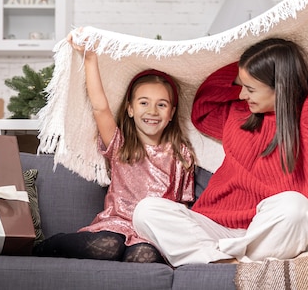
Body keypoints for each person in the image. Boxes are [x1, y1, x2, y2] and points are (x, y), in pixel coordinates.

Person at [133, 0, 308, 266]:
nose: (240, 93)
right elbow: (203, 105)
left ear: (280, 86)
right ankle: (233, 267)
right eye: (241, 84)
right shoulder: (237, 114)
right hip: (214, 226)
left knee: (296, 208)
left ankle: (219, 265)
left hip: (269, 230)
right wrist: (243, 59)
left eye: (250, 88)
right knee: (146, 211)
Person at [34, 33, 196, 263]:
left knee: (144, 257)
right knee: (108, 247)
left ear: (171, 114)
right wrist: (90, 59)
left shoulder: (181, 154)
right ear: (130, 109)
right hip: (116, 224)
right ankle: (50, 245)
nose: (152, 111)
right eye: (144, 103)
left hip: (152, 233)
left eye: (161, 105)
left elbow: (183, 205)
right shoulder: (120, 143)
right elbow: (100, 107)